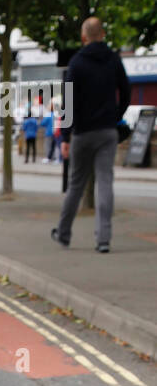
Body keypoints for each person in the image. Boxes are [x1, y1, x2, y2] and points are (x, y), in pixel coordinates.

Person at [52, 16, 130, 253]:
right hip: (107, 131)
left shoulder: (76, 63)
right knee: (105, 182)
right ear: (103, 34)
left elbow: (68, 102)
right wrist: (116, 114)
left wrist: (65, 137)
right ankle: (103, 239)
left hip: (83, 133)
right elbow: (126, 90)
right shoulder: (114, 60)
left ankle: (64, 234)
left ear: (83, 37)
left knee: (75, 185)